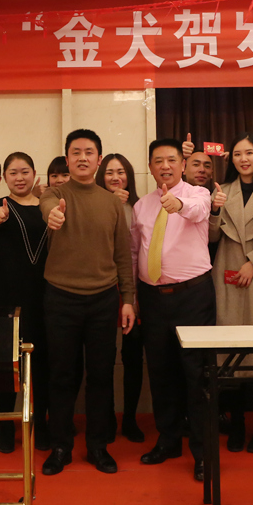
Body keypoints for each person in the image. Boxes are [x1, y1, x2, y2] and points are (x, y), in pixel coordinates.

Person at [40, 129, 136, 476]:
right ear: (67, 160)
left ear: (99, 159)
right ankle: (60, 446)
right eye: (76, 152)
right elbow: (47, 208)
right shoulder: (54, 194)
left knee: (101, 375)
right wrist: (53, 216)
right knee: (61, 375)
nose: (83, 157)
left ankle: (98, 446)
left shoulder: (112, 202)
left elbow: (122, 255)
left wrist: (128, 299)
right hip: (61, 298)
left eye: (89, 152)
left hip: (103, 299)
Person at [132, 139, 217, 481]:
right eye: (158, 161)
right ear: (150, 167)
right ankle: (168, 440)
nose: (165, 166)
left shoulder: (198, 194)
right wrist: (133, 297)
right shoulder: (141, 206)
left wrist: (177, 204)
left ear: (183, 164)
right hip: (153, 298)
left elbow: (197, 212)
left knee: (196, 375)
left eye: (171, 160)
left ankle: (203, 452)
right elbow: (136, 251)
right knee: (160, 372)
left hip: (192, 297)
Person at [209, 132, 253, 454]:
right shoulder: (222, 191)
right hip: (226, 275)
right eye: (237, 153)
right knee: (230, 353)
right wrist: (214, 211)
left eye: (249, 153)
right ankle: (236, 423)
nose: (243, 159)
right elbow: (211, 237)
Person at [0, 152, 50, 453]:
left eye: (25, 171)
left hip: (44, 296)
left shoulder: (47, 207)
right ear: (4, 178)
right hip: (6, 297)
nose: (20, 178)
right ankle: (4, 425)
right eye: (13, 173)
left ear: (34, 174)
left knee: (42, 364)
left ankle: (42, 422)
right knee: (6, 364)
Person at [95, 153, 145, 444]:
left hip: (133, 289)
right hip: (101, 289)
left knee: (133, 357)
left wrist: (134, 294)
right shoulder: (94, 206)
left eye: (121, 172)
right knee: (103, 358)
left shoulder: (139, 207)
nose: (116, 177)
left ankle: (130, 418)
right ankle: (106, 418)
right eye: (109, 172)